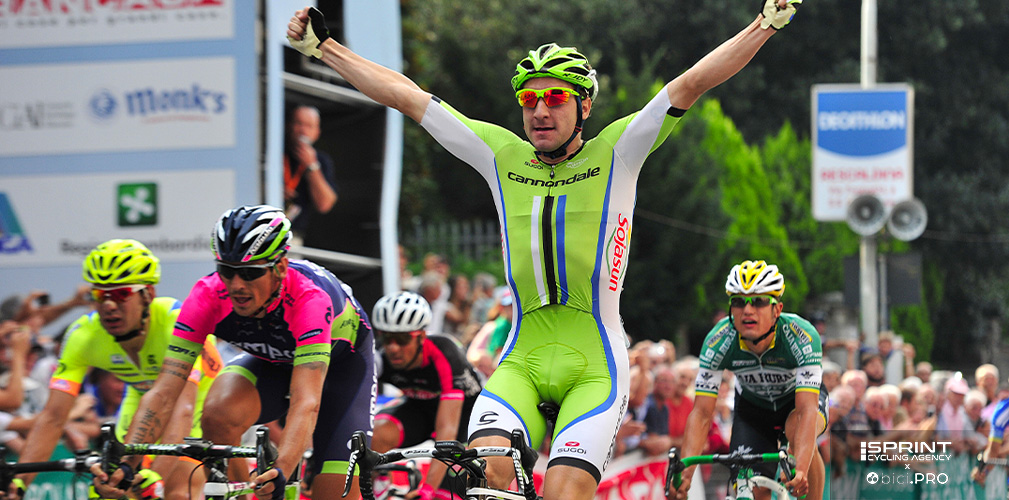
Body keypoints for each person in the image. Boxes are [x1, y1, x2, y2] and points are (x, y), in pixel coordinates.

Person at [287, 2, 802, 498]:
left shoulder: (618, 151)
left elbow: (692, 82)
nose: (539, 110)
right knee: (483, 472)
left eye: (555, 98)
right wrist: (325, 47)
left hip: (595, 363)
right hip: (522, 359)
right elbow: (407, 96)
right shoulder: (500, 154)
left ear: (584, 105)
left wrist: (765, 23)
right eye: (529, 100)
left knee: (561, 492)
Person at [90, 205, 376, 500]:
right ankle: (247, 495)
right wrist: (127, 462)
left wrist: (281, 470)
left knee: (332, 493)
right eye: (227, 271)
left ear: (280, 267)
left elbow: (307, 401)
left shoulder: (309, 299)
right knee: (217, 414)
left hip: (343, 370)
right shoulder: (207, 296)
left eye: (250, 273)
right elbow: (164, 392)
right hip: (274, 362)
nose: (236, 285)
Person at [8, 239, 222, 500]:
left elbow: (182, 409)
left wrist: (158, 475)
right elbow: (52, 418)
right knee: (111, 486)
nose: (109, 305)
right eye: (100, 295)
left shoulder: (176, 322)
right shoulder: (83, 335)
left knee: (176, 491)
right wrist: (19, 483)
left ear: (148, 294)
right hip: (143, 397)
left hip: (203, 398)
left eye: (121, 294)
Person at [673, 260, 826, 500]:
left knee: (795, 431)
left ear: (777, 310)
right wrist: (686, 472)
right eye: (738, 302)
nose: (747, 310)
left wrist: (802, 468)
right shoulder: (718, 341)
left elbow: (806, 410)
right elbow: (702, 413)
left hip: (796, 405)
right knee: (749, 489)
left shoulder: (801, 335)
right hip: (753, 411)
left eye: (759, 301)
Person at [370, 291, 483, 500]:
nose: (393, 347)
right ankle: (380, 486)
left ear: (421, 336)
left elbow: (447, 431)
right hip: (420, 409)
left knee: (443, 495)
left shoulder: (444, 351)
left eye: (402, 339)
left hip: (465, 419)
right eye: (387, 337)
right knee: (374, 434)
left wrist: (427, 489)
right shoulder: (379, 354)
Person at [285, 105, 338, 243]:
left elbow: (325, 204)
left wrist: (312, 166)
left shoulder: (321, 160)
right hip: (261, 227)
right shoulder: (274, 149)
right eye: (299, 123)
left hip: (291, 235)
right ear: (288, 125)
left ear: (317, 132)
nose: (303, 130)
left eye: (309, 126)